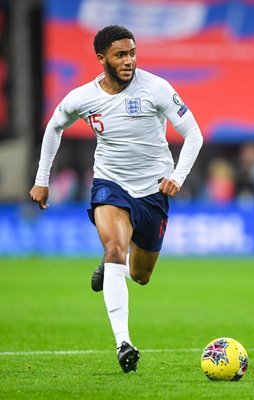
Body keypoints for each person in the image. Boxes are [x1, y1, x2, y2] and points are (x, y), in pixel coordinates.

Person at [30, 25, 203, 373]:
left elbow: (193, 134)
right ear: (102, 58)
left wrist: (176, 176)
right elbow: (54, 127)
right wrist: (41, 180)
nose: (129, 61)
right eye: (121, 55)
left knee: (140, 275)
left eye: (132, 53)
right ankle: (123, 342)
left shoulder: (157, 88)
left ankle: (114, 268)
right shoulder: (83, 97)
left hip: (153, 189)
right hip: (110, 183)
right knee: (114, 248)